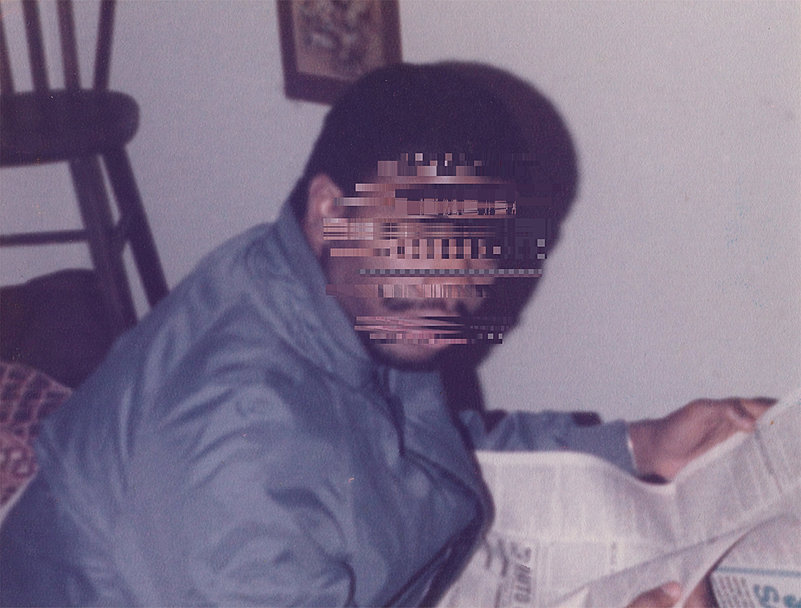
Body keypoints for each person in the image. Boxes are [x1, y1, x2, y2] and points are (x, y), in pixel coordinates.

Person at [0, 63, 770, 607]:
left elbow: (418, 446)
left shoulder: (333, 289)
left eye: (482, 248)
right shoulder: (238, 449)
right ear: (330, 210)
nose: (457, 286)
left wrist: (638, 445)